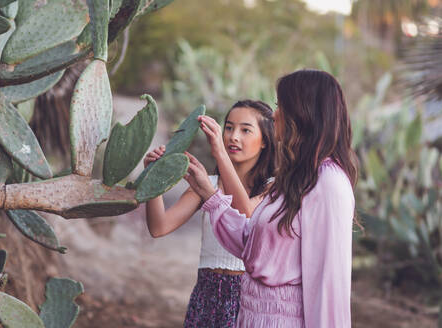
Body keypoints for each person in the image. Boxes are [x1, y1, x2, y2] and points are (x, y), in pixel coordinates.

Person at [184, 69, 358, 327]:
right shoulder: (290, 178)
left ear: (303, 114)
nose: (274, 115)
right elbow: (250, 244)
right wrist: (210, 195)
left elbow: (329, 282)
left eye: (281, 107)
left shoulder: (329, 183)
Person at [143, 100, 276, 327]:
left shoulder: (271, 187)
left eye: (245, 130)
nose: (233, 136)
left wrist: (220, 154)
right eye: (229, 127)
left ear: (265, 141)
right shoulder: (209, 184)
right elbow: (159, 227)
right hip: (206, 295)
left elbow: (246, 215)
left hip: (249, 300)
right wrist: (152, 178)